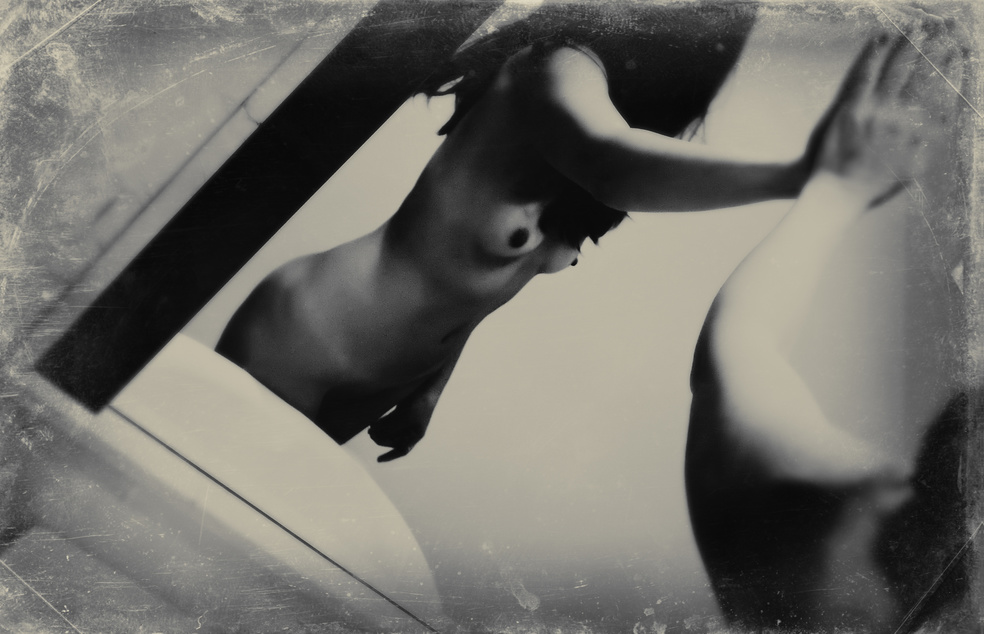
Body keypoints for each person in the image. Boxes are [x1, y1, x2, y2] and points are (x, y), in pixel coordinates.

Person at [216, 2, 823, 461]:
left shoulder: (596, 117)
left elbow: (472, 284)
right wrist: (802, 174)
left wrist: (431, 385)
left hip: (391, 377)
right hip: (311, 333)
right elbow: (608, 161)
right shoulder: (554, 61)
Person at [684, 16, 966, 630]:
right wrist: (835, 190)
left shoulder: (827, 563)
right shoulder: (834, 556)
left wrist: (836, 191)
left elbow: (738, 351)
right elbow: (740, 352)